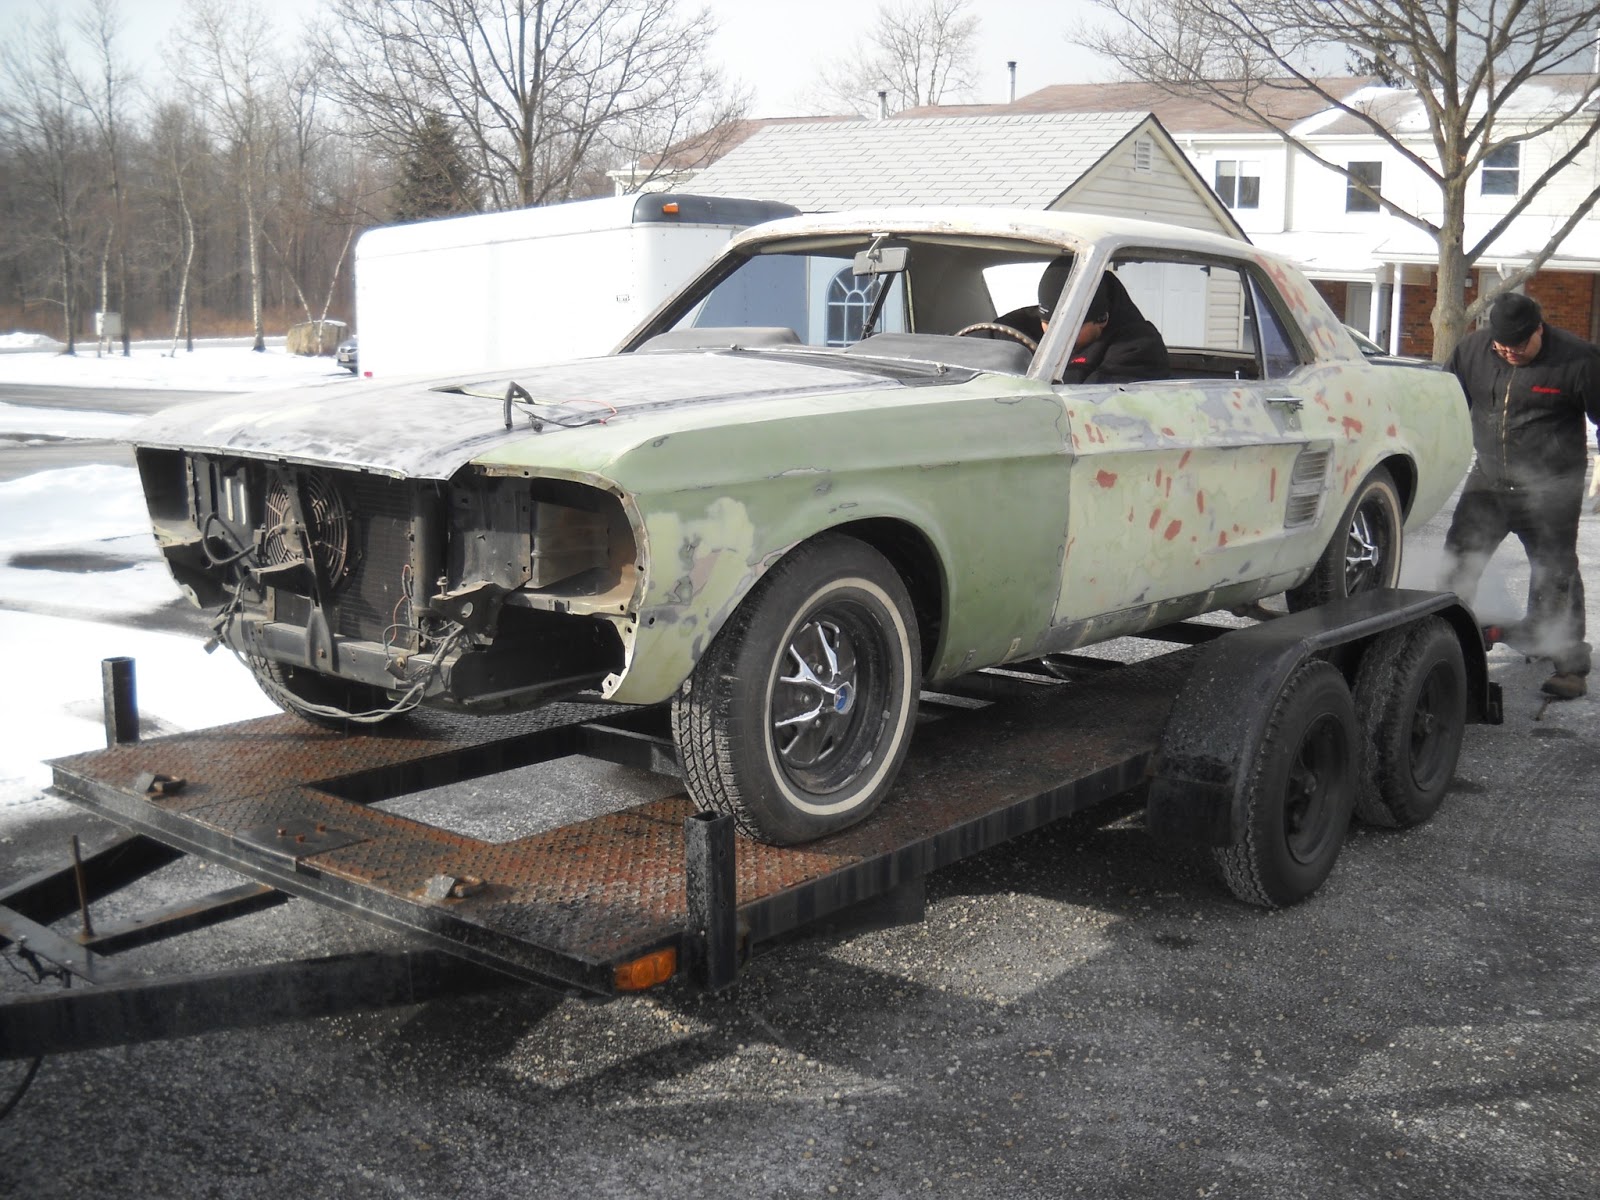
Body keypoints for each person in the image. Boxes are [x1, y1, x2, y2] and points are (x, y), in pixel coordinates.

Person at [1439, 291, 1600, 700]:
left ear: (1538, 330)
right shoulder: (1472, 350)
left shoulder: (1578, 359)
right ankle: (1444, 649)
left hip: (1551, 488)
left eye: (1520, 346)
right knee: (1457, 563)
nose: (1510, 353)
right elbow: (1446, 403)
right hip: (1488, 480)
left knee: (1556, 573)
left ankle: (1570, 666)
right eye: (1502, 346)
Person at [1037, 262, 1170, 385]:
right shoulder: (1025, 328)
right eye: (1048, 323)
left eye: (1070, 327)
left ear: (1102, 320)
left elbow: (1092, 401)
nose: (1057, 335)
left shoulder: (1139, 347)